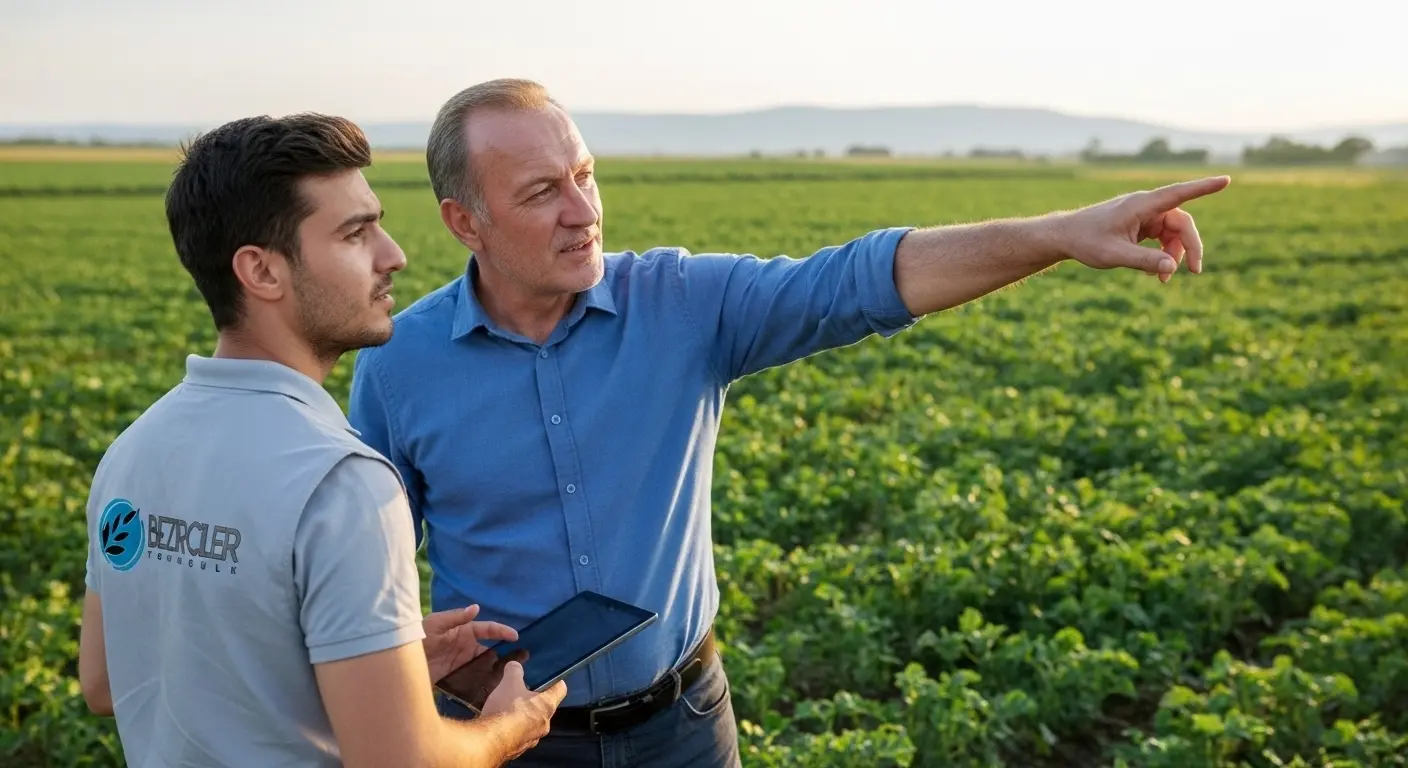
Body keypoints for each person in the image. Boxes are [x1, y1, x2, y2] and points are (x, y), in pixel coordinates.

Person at [346, 78, 1230, 767]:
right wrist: (409, 656)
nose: (584, 211)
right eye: (544, 192)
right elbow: (365, 580)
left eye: (585, 174)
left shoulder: (681, 303)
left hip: (683, 726)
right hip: (506, 738)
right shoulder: (400, 365)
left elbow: (859, 281)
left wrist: (1060, 233)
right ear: (467, 221)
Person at [77, 112, 567, 768]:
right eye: (355, 233)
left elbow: (106, 682)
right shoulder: (342, 483)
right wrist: (510, 726)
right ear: (262, 272)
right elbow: (401, 761)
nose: (394, 255)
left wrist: (373, 663)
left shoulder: (133, 452)